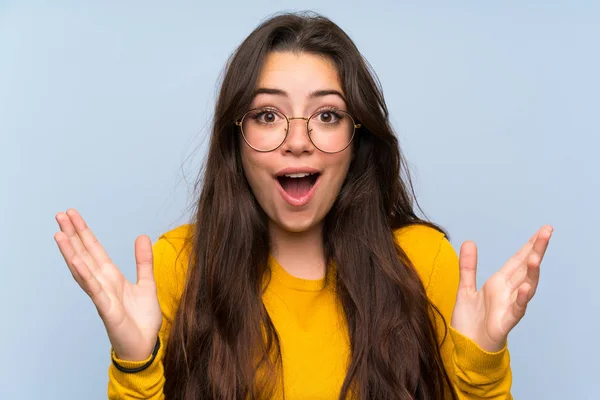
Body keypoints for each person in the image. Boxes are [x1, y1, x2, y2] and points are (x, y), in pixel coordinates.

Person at [53, 12, 552, 400]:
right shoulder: (178, 264)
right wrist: (135, 364)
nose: (297, 141)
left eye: (327, 115)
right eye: (268, 114)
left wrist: (482, 369)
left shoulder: (423, 264)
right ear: (237, 138)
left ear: (358, 137)